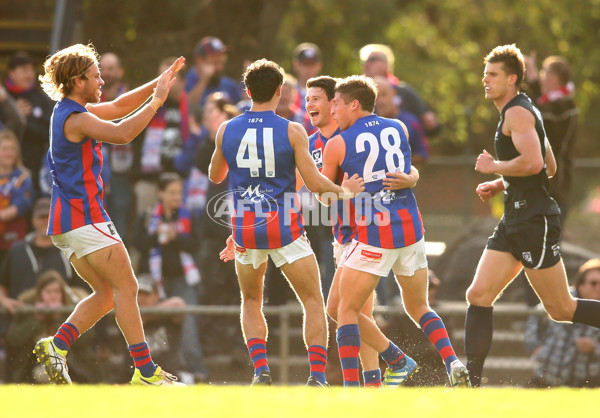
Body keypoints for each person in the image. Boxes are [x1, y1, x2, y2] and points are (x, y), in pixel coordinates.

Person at [32, 43, 186, 386]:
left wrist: (158, 82)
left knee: (107, 294)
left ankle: (57, 345)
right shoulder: (76, 116)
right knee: (128, 286)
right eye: (95, 75)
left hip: (67, 223)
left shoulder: (70, 110)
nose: (102, 80)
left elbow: (117, 106)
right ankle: (146, 371)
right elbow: (123, 132)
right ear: (76, 80)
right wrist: (158, 101)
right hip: (84, 216)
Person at [208, 59, 364, 386]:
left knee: (251, 299)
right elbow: (315, 183)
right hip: (284, 227)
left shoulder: (227, 129)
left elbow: (215, 175)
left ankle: (261, 370)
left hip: (245, 227)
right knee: (312, 301)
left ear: (247, 91)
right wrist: (345, 191)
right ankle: (317, 376)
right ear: (280, 91)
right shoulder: (292, 130)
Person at [465, 44, 600, 387]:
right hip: (516, 217)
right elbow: (548, 164)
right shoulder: (522, 110)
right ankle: (470, 386)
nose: (486, 79)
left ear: (512, 79)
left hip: (534, 220)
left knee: (561, 309)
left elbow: (537, 164)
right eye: (485, 73)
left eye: (493, 74)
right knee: (478, 295)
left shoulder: (518, 112)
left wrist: (494, 166)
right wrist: (501, 182)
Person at [325, 75, 468, 387]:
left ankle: (352, 389)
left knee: (343, 310)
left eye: (335, 103)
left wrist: (342, 191)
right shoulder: (398, 127)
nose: (331, 109)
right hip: (411, 229)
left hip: (374, 232)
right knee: (419, 306)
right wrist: (413, 176)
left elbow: (323, 196)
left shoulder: (336, 143)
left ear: (353, 104)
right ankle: (452, 361)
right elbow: (406, 170)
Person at [304, 75, 419, 388]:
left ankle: (369, 381)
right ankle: (378, 378)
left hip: (364, 232)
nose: (309, 104)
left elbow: (389, 172)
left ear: (335, 104)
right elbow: (312, 189)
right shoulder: (312, 143)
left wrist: (411, 176)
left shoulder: (344, 139)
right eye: (307, 98)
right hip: (341, 234)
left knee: (347, 311)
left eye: (317, 98)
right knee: (350, 312)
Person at [131, 172, 207, 382]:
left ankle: (196, 371)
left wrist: (175, 238)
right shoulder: (147, 216)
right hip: (152, 284)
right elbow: (137, 243)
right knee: (149, 325)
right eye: (171, 192)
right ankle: (147, 371)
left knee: (188, 325)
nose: (176, 197)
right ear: (160, 193)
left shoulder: (188, 215)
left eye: (179, 192)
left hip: (182, 280)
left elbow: (196, 244)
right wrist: (157, 236)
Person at [5, 270, 95, 383]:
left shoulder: (73, 312)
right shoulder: (27, 310)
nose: (53, 295)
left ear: (62, 294)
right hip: (31, 370)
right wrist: (36, 319)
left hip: (72, 369)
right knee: (42, 374)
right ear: (40, 293)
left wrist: (61, 319)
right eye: (48, 291)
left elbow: (87, 339)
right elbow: (13, 339)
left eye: (57, 291)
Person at [524, 259, 600, 388]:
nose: (598, 288)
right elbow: (535, 318)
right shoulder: (563, 299)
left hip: (583, 382)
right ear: (580, 284)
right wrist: (537, 349)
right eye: (593, 283)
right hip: (546, 377)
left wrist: (595, 348)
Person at [524, 53, 578, 224]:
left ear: (554, 78)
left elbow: (540, 113)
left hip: (556, 187)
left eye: (543, 73)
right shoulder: (551, 102)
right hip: (541, 185)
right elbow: (540, 104)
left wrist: (531, 78)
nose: (540, 77)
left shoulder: (566, 106)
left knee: (550, 245)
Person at [133, 57, 189, 216]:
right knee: (145, 228)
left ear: (183, 82)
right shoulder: (147, 104)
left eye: (169, 77)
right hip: (148, 180)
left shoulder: (191, 108)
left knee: (178, 231)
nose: (162, 82)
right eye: (160, 77)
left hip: (180, 182)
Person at [360, 44, 439, 137]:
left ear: (386, 64)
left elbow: (431, 127)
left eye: (372, 59)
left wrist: (430, 123)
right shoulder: (357, 93)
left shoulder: (404, 91)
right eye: (364, 61)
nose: (366, 64)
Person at [3, 52, 54, 189]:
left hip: (35, 162)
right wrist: (13, 114)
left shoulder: (42, 99)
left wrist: (21, 120)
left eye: (31, 70)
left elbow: (49, 132)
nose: (29, 75)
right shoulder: (3, 99)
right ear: (12, 73)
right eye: (24, 70)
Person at [99, 52, 134, 242]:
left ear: (120, 72)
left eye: (111, 68)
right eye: (102, 68)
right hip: (96, 169)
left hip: (123, 172)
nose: (106, 73)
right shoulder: (91, 101)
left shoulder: (131, 98)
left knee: (121, 213)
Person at [374, 75, 429, 169]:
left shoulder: (411, 122)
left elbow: (423, 153)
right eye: (375, 97)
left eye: (384, 94)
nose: (380, 101)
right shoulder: (365, 123)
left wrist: (398, 165)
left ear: (394, 93)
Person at [0, 130, 34, 263]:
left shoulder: (23, 177)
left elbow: (22, 204)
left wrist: (2, 216)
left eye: (12, 149)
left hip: (14, 236)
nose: (9, 153)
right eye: (5, 149)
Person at [185, 36, 242, 108]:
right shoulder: (184, 81)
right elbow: (185, 111)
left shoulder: (230, 86)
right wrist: (203, 81)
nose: (219, 67)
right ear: (200, 61)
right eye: (215, 62)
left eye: (222, 62)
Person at [292, 42, 323, 133]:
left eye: (312, 64)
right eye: (305, 64)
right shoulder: (287, 92)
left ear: (318, 66)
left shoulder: (326, 93)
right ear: (296, 65)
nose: (308, 69)